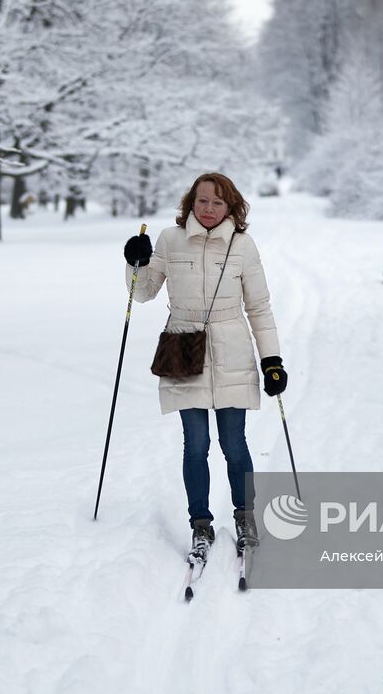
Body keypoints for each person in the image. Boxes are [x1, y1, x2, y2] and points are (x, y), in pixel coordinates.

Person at [121, 172, 285, 564]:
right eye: (202, 201)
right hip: (183, 345)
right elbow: (140, 293)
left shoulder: (243, 246)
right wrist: (134, 261)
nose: (209, 209)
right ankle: (200, 523)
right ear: (190, 203)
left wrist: (272, 361)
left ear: (231, 207)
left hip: (232, 347)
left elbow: (259, 308)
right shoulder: (169, 239)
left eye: (218, 202)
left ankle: (245, 517)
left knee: (234, 444)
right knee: (195, 445)